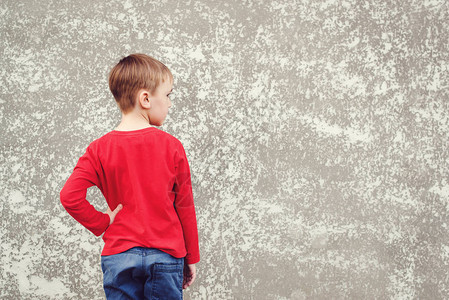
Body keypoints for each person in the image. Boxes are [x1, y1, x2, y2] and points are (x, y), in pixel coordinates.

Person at [59, 53, 200, 299]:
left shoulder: (98, 149)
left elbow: (70, 197)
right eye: (167, 95)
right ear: (146, 99)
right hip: (166, 255)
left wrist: (102, 222)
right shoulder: (172, 146)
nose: (169, 103)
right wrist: (191, 257)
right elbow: (185, 205)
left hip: (119, 256)